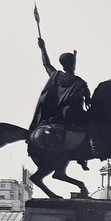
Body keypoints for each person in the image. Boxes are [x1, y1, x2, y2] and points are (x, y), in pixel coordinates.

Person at [32, 38, 92, 169]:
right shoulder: (78, 81)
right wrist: (87, 98)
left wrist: (43, 48)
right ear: (73, 64)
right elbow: (87, 93)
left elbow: (46, 64)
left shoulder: (56, 75)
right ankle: (82, 157)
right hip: (73, 114)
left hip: (55, 114)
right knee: (91, 125)